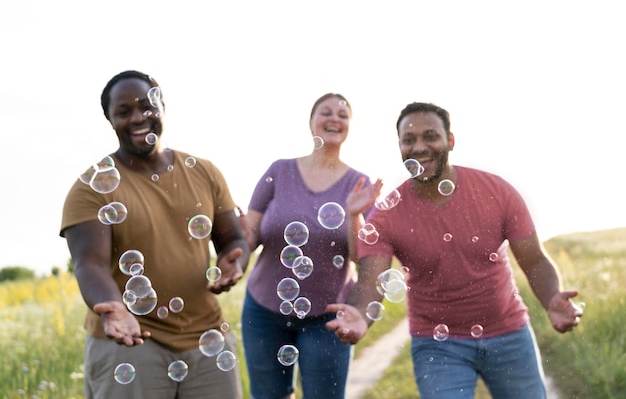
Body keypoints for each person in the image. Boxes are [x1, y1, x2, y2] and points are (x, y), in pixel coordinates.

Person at [326, 102, 583, 399]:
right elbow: (371, 278)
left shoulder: (496, 191)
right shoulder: (388, 214)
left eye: (430, 136)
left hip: (509, 333)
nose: (419, 147)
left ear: (450, 140)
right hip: (437, 345)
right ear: (399, 147)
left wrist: (551, 298)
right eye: (409, 140)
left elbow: (534, 260)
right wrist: (360, 313)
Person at [60, 70, 250, 399]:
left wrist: (237, 259)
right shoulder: (91, 187)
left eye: (146, 107)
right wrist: (114, 308)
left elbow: (232, 240)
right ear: (110, 119)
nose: (138, 118)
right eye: (124, 111)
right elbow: (90, 263)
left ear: (162, 106)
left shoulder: (203, 171)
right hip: (131, 342)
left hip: (207, 337)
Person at [239, 93, 382, 399]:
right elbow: (251, 235)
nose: (334, 119)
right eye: (325, 112)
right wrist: (237, 238)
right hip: (263, 311)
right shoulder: (279, 171)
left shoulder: (359, 183)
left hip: (328, 316)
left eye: (343, 115)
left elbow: (361, 256)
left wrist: (353, 214)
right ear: (311, 122)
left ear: (349, 127)